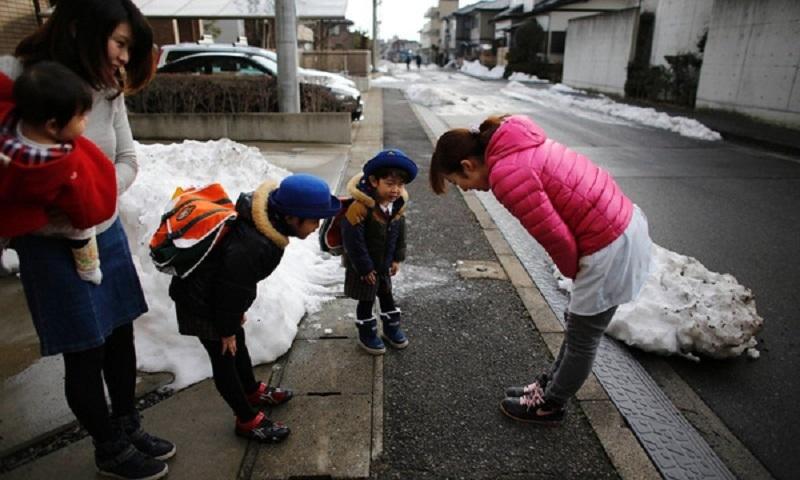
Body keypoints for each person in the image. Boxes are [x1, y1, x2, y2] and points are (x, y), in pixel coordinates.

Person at [2, 1, 175, 478]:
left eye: (130, 49)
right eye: (120, 44)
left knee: (120, 334)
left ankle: (127, 424)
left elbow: (127, 159)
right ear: (82, 29)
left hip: (104, 230)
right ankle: (108, 448)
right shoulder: (18, 77)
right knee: (85, 349)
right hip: (48, 245)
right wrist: (48, 208)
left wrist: (89, 196)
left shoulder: (108, 90)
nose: (124, 58)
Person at [429, 115, 652, 425]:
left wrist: (575, 274)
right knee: (577, 328)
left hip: (609, 247)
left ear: (468, 165)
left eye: (458, 183)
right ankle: (551, 383)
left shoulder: (507, 174)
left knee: (582, 339)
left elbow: (556, 238)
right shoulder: (516, 147)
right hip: (619, 226)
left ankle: (550, 404)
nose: (465, 190)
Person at [168, 174, 341, 442]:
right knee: (224, 358)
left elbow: (235, 285)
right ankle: (246, 420)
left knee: (238, 343)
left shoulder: (265, 227)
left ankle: (250, 389)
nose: (316, 227)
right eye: (313, 220)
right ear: (291, 218)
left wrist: (233, 319)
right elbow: (232, 287)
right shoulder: (254, 244)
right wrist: (226, 327)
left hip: (219, 299)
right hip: (202, 303)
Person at [0, 61, 118, 286]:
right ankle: (89, 268)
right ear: (53, 126)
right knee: (81, 230)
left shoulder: (7, 122)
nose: (86, 121)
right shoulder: (62, 164)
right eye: (82, 117)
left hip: (8, 209)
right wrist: (87, 216)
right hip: (37, 216)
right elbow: (83, 205)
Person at [341, 149, 418, 355]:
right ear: (375, 182)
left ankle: (391, 329)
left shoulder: (396, 207)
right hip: (363, 267)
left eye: (400, 185)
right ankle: (367, 333)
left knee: (387, 297)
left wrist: (397, 258)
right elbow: (353, 242)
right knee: (366, 300)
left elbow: (400, 234)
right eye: (390, 184)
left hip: (383, 264)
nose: (395, 190)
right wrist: (364, 267)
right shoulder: (360, 208)